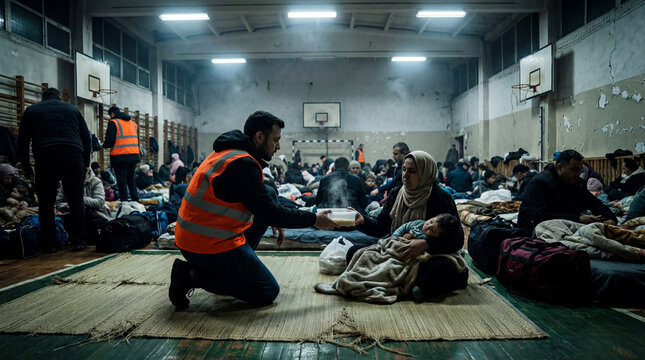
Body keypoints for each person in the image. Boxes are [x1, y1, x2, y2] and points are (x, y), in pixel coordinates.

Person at [169, 110, 337, 310]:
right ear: (259, 137)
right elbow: (270, 211)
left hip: (194, 236)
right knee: (266, 290)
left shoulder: (229, 153)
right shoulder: (242, 164)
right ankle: (189, 275)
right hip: (204, 244)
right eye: (275, 140)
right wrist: (314, 219)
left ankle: (231, 268)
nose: (278, 146)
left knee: (269, 192)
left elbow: (265, 202)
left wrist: (274, 213)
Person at [350, 151, 465, 300]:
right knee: (354, 252)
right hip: (398, 248)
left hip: (429, 254)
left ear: (426, 173)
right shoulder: (396, 193)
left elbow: (457, 239)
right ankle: (413, 286)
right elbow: (381, 227)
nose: (405, 175)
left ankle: (408, 284)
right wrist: (362, 221)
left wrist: (426, 243)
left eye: (412, 171)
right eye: (404, 169)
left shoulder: (441, 197)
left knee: (443, 268)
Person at [17, 88, 91, 252]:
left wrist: (27, 167)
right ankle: (79, 241)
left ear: (43, 98)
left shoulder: (31, 111)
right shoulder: (73, 109)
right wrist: (86, 163)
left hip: (46, 156)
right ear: (59, 98)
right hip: (73, 156)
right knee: (76, 201)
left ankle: (50, 244)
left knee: (46, 203)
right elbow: (87, 138)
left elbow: (22, 142)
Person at [517, 149, 617, 235]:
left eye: (580, 170)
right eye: (574, 169)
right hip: (534, 230)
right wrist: (577, 219)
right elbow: (540, 216)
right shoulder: (540, 183)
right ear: (559, 168)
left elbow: (594, 203)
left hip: (563, 227)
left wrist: (611, 218)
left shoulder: (577, 183)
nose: (578, 174)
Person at [102, 106, 140, 202]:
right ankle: (136, 201)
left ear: (112, 114)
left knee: (121, 181)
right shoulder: (133, 123)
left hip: (120, 156)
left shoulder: (113, 122)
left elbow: (110, 141)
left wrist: (103, 145)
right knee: (131, 180)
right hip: (134, 155)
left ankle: (124, 202)